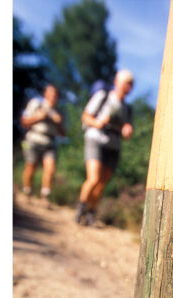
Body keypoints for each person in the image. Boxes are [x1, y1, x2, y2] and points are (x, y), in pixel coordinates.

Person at [75, 69, 135, 226]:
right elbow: (86, 116)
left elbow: (127, 132)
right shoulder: (103, 96)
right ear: (116, 82)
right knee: (93, 178)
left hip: (114, 145)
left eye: (131, 84)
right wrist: (99, 122)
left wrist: (127, 131)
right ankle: (81, 209)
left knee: (101, 183)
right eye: (126, 83)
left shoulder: (127, 109)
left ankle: (91, 214)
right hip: (96, 139)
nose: (128, 87)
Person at [20, 84, 65, 199]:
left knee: (50, 168)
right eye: (50, 94)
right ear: (45, 94)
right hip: (33, 139)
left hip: (50, 142)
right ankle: (27, 191)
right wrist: (40, 117)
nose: (53, 96)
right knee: (31, 167)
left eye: (55, 95)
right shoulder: (36, 104)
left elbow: (64, 134)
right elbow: (24, 122)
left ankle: (45, 196)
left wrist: (58, 122)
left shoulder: (59, 112)